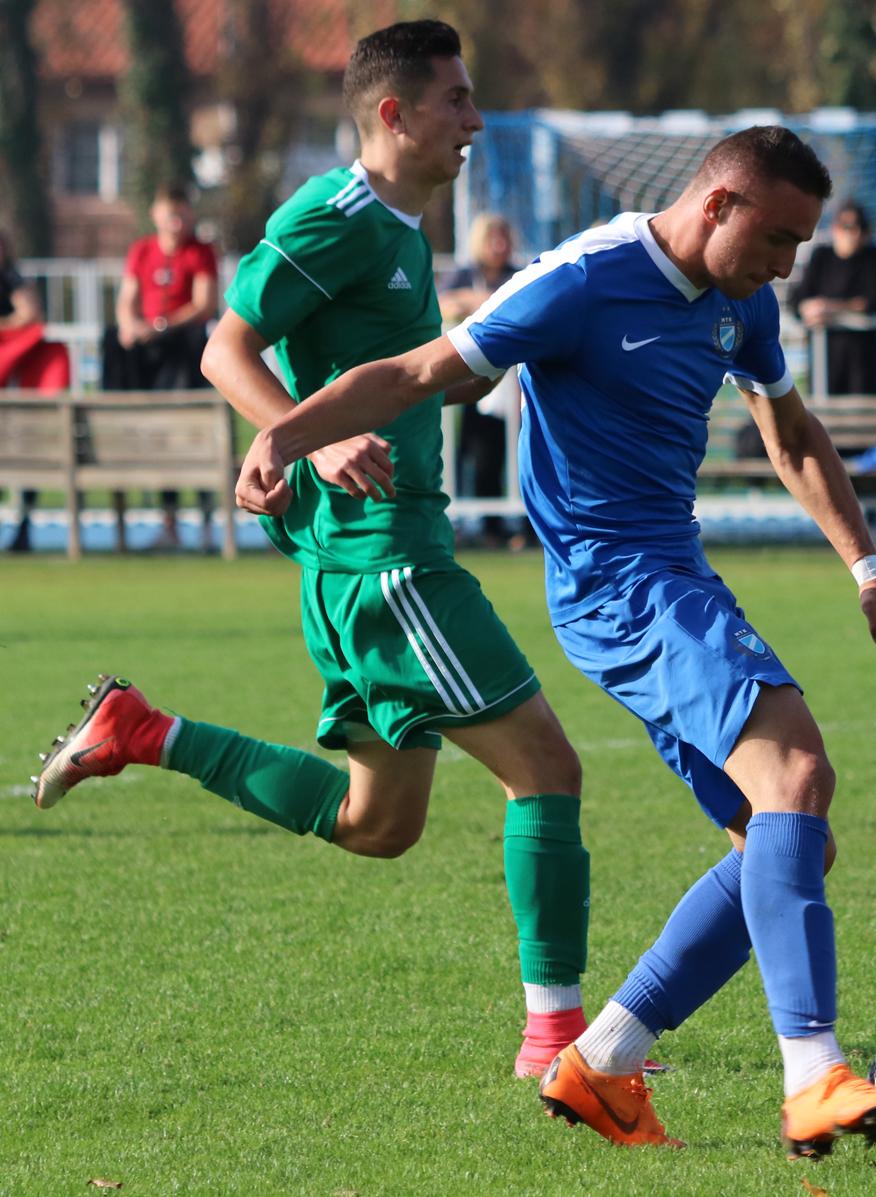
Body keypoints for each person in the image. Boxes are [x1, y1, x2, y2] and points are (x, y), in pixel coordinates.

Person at [232, 125, 876, 1158]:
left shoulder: (744, 301)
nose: (786, 266)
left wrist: (868, 567)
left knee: (784, 840)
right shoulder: (585, 281)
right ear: (718, 204)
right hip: (615, 584)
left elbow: (789, 434)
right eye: (777, 238)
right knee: (796, 772)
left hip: (673, 574)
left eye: (800, 245)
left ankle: (602, 1062)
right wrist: (287, 433)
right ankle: (814, 1075)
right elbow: (422, 369)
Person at [33, 20, 596, 1082]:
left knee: (378, 825)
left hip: (363, 553)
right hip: (387, 557)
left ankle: (145, 731)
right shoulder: (334, 218)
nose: (474, 121)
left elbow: (391, 375)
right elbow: (224, 347)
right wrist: (310, 437)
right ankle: (559, 1045)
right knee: (547, 770)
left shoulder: (400, 229)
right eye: (456, 100)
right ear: (393, 114)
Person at [102, 183, 219, 550]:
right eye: (170, 214)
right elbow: (127, 300)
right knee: (111, 339)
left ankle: (203, 524)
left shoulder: (200, 252)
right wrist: (130, 326)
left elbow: (204, 304)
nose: (176, 222)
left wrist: (162, 325)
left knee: (188, 432)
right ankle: (112, 415)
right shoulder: (142, 250)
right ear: (156, 215)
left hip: (181, 350)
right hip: (148, 351)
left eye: (182, 214)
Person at [784, 200, 876, 520]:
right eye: (846, 227)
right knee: (826, 438)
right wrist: (810, 309)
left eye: (859, 228)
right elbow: (799, 300)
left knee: (865, 438)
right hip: (826, 368)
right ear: (834, 229)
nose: (853, 234)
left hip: (865, 368)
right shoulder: (821, 257)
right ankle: (832, 513)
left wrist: (832, 309)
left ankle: (871, 511)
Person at [438, 213, 532, 548]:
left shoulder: (519, 274)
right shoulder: (463, 275)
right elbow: (442, 303)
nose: (499, 246)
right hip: (473, 380)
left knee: (523, 452)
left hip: (514, 385)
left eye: (504, 238)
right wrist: (481, 301)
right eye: (493, 238)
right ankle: (488, 527)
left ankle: (526, 525)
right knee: (480, 453)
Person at [0, 229, 71, 552]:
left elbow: (29, 314)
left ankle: (24, 524)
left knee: (27, 453)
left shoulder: (12, 279)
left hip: (20, 400)